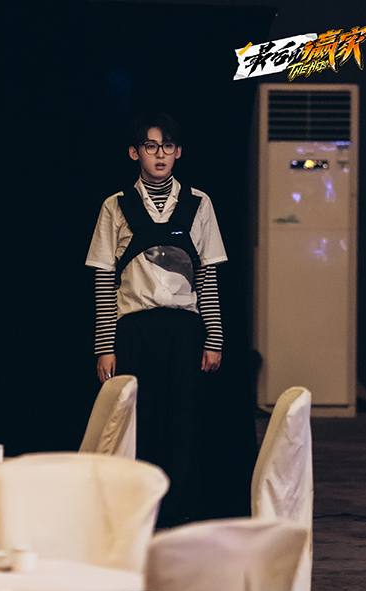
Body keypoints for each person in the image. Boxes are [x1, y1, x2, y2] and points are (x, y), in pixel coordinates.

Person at [85, 112, 227, 527]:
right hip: (135, 330)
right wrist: (105, 346)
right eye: (150, 146)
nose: (160, 154)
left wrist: (214, 338)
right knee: (136, 421)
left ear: (178, 152)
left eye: (167, 146)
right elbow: (104, 281)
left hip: (184, 330)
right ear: (135, 153)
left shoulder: (199, 203)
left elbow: (208, 275)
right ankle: (135, 514)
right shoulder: (116, 205)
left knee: (183, 423)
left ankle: (179, 515)